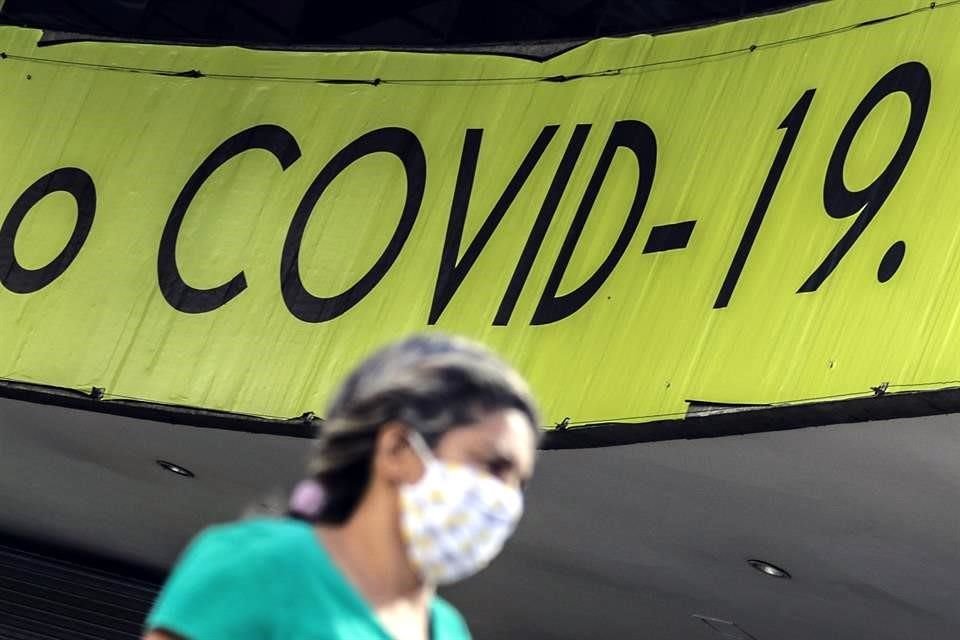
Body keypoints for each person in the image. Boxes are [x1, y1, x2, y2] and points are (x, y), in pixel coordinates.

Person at [143, 333, 540, 640]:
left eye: (519, 482)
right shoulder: (261, 565)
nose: (506, 499)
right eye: (494, 465)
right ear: (397, 448)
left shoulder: (449, 629)